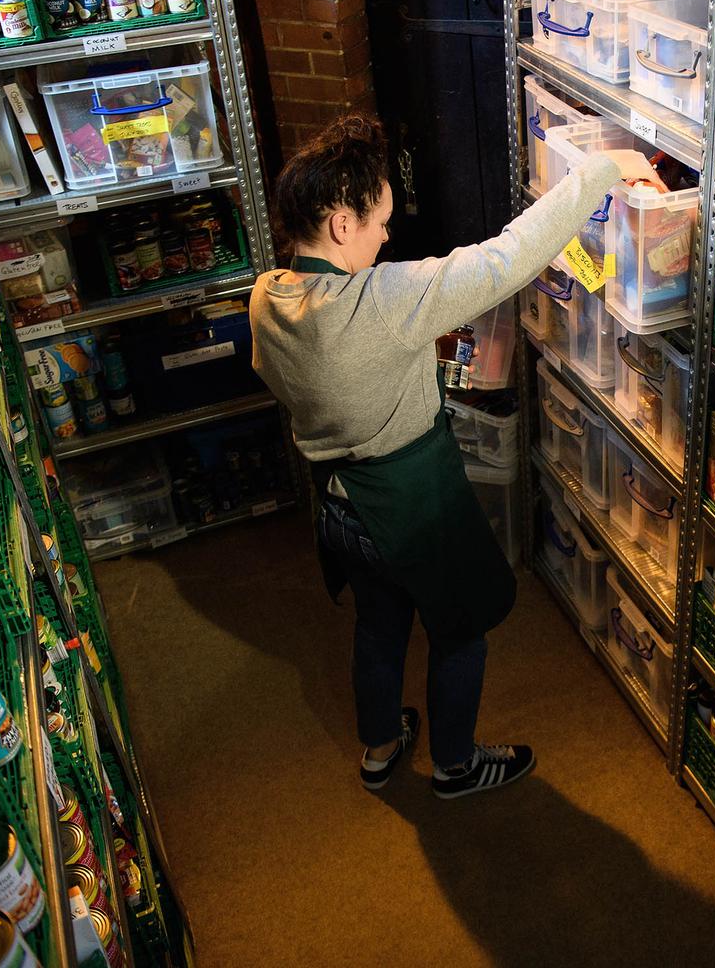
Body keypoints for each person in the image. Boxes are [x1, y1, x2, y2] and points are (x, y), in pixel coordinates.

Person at [250, 113, 618, 799]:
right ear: (339, 223)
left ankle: (381, 746)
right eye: (379, 223)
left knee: (379, 626)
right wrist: (601, 172)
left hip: (339, 507)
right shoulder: (384, 299)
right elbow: (506, 257)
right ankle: (455, 764)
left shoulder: (267, 297)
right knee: (459, 628)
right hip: (411, 504)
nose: (387, 236)